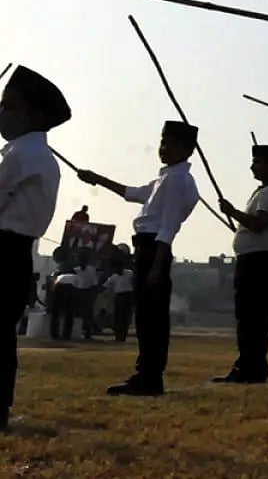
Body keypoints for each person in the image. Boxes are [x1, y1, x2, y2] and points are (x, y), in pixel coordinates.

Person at [78, 121, 200, 396]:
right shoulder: (164, 178)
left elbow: (168, 227)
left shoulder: (177, 180)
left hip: (155, 249)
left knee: (151, 317)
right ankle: (146, 373)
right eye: (163, 142)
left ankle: (149, 375)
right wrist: (97, 178)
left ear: (188, 150)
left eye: (173, 144)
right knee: (146, 316)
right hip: (147, 249)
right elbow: (131, 193)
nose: (165, 148)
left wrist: (156, 266)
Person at [0, 66, 70, 429]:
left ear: (36, 117)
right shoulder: (32, 154)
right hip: (16, 250)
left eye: (10, 106)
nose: (2, 113)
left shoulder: (21, 155)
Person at [215, 145, 268, 384]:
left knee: (252, 316)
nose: (252, 166)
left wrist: (232, 211)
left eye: (257, 162)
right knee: (249, 315)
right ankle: (249, 364)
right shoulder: (264, 191)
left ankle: (251, 366)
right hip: (253, 257)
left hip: (258, 260)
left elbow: (258, 224)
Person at [105, 262, 136, 343]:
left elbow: (134, 283)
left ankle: (122, 336)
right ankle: (118, 336)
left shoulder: (129, 273)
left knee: (125, 317)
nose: (116, 270)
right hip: (118, 296)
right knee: (117, 317)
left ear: (121, 268)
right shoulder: (114, 276)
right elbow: (107, 286)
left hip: (128, 295)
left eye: (117, 269)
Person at [51, 270, 79, 340]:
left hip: (59, 288)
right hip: (70, 289)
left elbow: (54, 287)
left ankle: (54, 334)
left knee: (56, 313)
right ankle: (66, 335)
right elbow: (79, 288)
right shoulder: (77, 276)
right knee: (69, 314)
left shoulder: (60, 276)